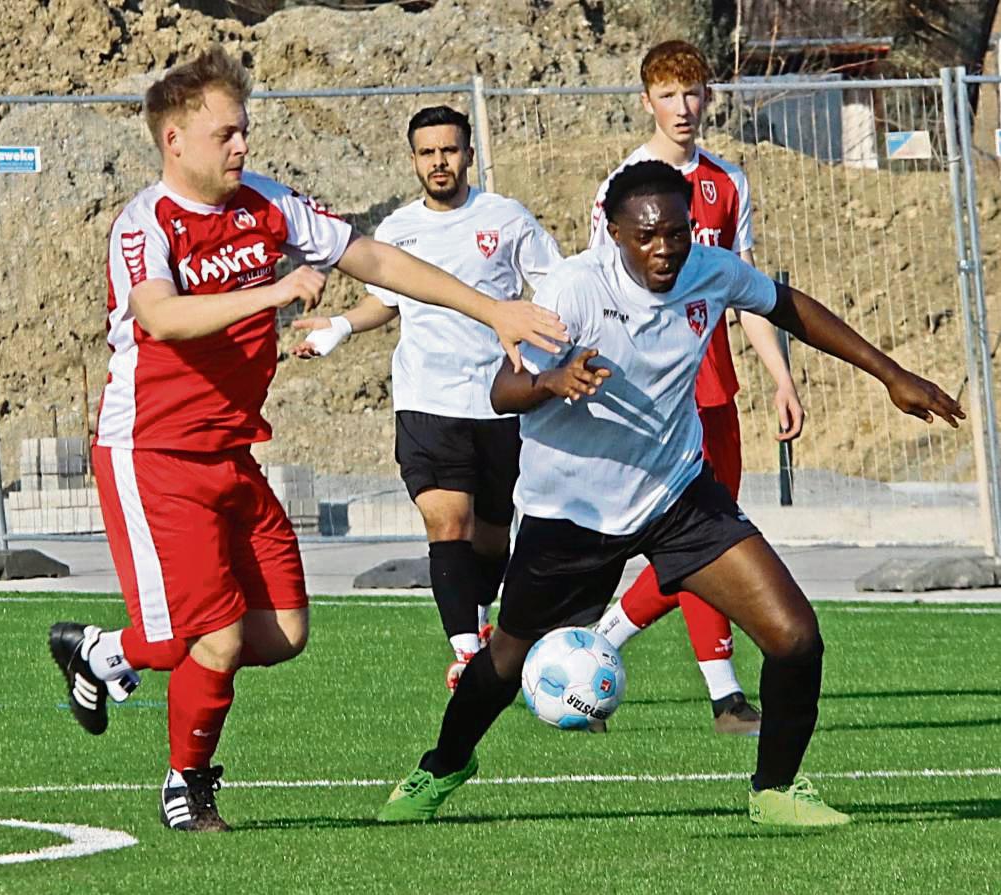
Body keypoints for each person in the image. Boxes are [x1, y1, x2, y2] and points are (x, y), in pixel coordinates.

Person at [47, 46, 565, 833]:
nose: (242, 145)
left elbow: (381, 258)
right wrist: (275, 289)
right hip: (151, 455)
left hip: (230, 455)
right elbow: (161, 316)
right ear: (174, 140)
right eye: (225, 134)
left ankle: (101, 653)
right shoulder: (144, 223)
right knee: (202, 638)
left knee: (282, 631)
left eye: (244, 130)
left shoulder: (270, 205)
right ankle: (185, 782)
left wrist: (492, 311)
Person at [376, 160, 964, 828]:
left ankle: (774, 789)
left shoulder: (708, 270)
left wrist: (890, 373)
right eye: (647, 236)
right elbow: (501, 392)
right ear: (615, 233)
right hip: (570, 514)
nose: (665, 249)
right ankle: (445, 763)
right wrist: (554, 380)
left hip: (676, 495)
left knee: (796, 636)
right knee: (504, 659)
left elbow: (787, 304)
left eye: (677, 233)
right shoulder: (572, 288)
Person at [293, 106, 563, 690]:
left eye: (449, 150)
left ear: (468, 154)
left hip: (496, 400)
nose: (439, 162)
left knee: (492, 536)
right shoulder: (396, 232)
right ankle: (467, 654)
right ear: (414, 160)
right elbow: (384, 302)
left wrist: (551, 350)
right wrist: (338, 328)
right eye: (427, 152)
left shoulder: (506, 219)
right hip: (425, 401)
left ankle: (480, 620)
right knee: (448, 523)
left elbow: (555, 283)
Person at [590, 40, 804, 736]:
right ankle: (703, 685)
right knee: (694, 539)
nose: (684, 108)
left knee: (712, 538)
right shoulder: (622, 185)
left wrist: (779, 377)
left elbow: (749, 295)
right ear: (646, 101)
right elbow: (602, 288)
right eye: (669, 94)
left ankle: (706, 685)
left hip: (714, 389)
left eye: (694, 93)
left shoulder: (728, 182)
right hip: (651, 395)